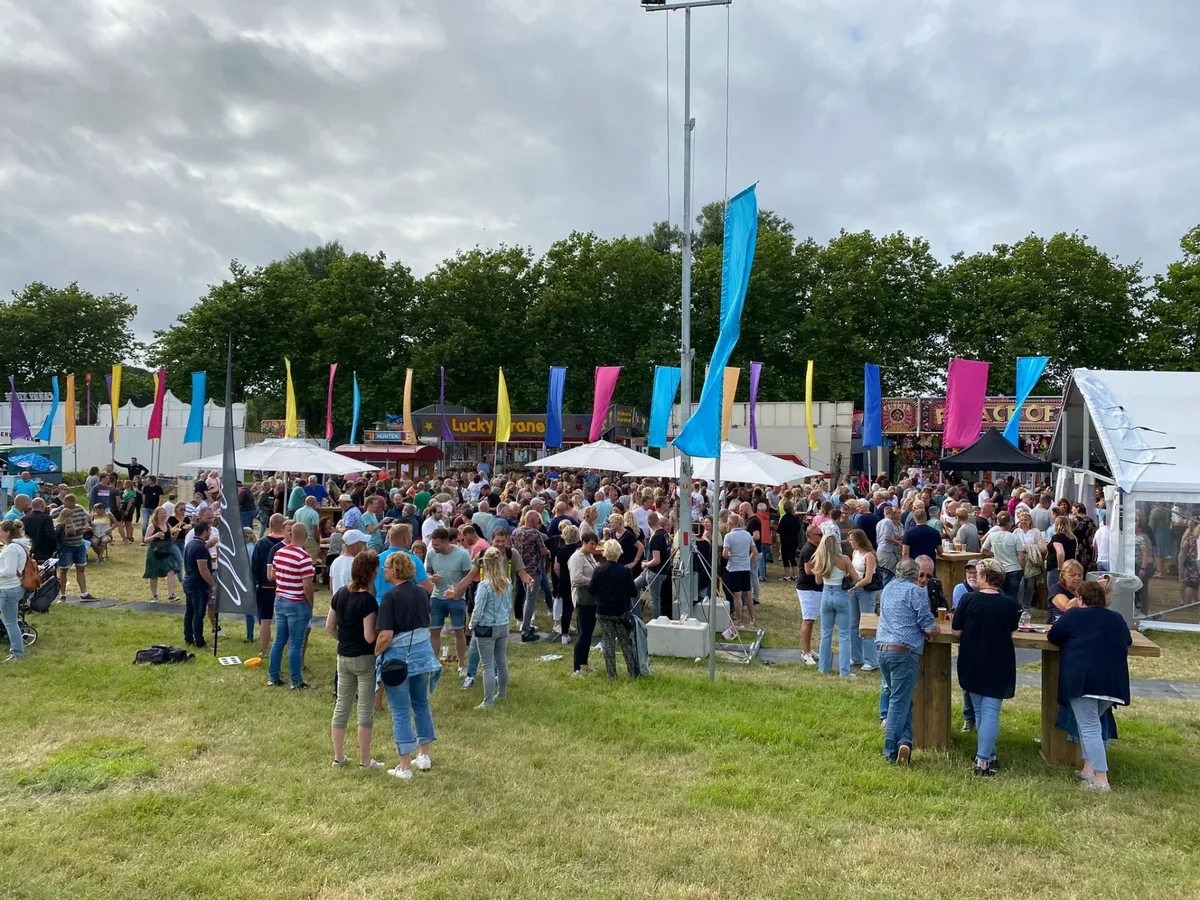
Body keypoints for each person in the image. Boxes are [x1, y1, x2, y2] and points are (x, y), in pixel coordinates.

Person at [1048, 580, 1133, 792]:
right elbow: (1128, 639)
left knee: (1089, 727)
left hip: (1083, 680)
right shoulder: (1116, 618)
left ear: (1080, 599)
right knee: (1091, 724)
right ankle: (1088, 770)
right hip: (1114, 684)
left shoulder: (1074, 615)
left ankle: (1102, 780)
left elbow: (1053, 636)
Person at [951, 558, 1022, 776]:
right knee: (990, 711)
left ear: (984, 576)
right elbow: (1011, 630)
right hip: (999, 660)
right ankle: (984, 758)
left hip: (972, 659)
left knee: (981, 710)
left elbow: (956, 631)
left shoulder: (968, 599)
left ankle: (986, 756)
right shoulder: (1010, 604)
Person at [375, 551, 440, 781]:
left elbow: (385, 635)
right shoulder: (422, 592)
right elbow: (428, 620)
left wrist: (375, 653)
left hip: (398, 659)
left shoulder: (390, 597)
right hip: (423, 654)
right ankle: (424, 755)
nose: (383, 570)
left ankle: (404, 766)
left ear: (394, 570)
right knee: (421, 703)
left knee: (401, 710)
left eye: (386, 567)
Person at [875, 558, 940, 766]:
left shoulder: (888, 588)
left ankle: (905, 742)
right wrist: (934, 629)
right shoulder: (916, 592)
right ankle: (890, 751)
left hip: (882, 649)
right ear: (915, 574)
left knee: (901, 700)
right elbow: (927, 624)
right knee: (898, 701)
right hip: (904, 651)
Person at [327, 550, 382, 770]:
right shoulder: (368, 601)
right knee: (364, 710)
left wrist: (345, 638)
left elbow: (329, 627)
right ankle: (365, 761)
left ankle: (338, 757)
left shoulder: (340, 593)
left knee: (342, 705)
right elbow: (369, 636)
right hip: (364, 658)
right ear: (371, 572)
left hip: (343, 655)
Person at [267, 523, 316, 689]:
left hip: (280, 599)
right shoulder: (304, 557)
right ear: (305, 536)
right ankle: (296, 681)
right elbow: (307, 586)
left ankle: (273, 676)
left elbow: (274, 574)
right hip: (296, 602)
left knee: (279, 640)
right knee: (296, 643)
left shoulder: (279, 552)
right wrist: (310, 603)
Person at [589, 538, 639, 679]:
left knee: (608, 643)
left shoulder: (599, 570)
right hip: (619, 612)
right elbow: (633, 592)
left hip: (603, 611)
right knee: (625, 643)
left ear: (605, 553)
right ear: (619, 553)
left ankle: (611, 674)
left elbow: (592, 590)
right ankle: (632, 672)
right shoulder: (625, 571)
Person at [425, 527, 474, 673]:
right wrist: (430, 578)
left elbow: (468, 577)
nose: (434, 547)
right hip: (437, 596)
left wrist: (459, 593)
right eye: (433, 544)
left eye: (437, 544)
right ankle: (433, 664)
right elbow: (427, 571)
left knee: (459, 631)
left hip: (456, 598)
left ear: (446, 542)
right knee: (434, 631)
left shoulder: (462, 554)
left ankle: (461, 665)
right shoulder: (431, 554)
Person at [470, 547, 513, 709]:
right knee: (501, 662)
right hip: (503, 625)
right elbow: (509, 606)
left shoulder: (484, 586)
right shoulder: (507, 583)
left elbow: (478, 609)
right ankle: (502, 693)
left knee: (487, 665)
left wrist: (472, 624)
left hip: (486, 627)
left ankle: (487, 701)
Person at [813, 532, 858, 677]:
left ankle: (823, 668)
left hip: (826, 594)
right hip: (841, 594)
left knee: (825, 633)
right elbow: (856, 577)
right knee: (844, 635)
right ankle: (844, 671)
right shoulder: (844, 559)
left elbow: (818, 581)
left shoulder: (820, 559)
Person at [847, 528, 880, 672]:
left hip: (865, 591)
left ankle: (871, 660)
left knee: (866, 625)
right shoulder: (854, 553)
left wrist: (854, 586)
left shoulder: (869, 555)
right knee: (853, 623)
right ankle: (856, 656)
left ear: (858, 540)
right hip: (853, 590)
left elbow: (868, 578)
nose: (850, 542)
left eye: (851, 540)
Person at [569, 534, 601, 676]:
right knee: (583, 634)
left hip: (591, 598)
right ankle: (576, 668)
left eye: (595, 544)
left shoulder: (590, 556)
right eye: (591, 544)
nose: (593, 547)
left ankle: (584, 663)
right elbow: (576, 578)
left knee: (588, 633)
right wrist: (593, 581)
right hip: (583, 599)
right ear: (584, 543)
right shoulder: (577, 557)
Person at [0, 520, 32, 661]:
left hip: (8, 589)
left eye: (0, 531)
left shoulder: (13, 548)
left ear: (7, 532)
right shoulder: (15, 546)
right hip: (10, 587)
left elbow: (9, 571)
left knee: (10, 623)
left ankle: (17, 653)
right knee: (10, 622)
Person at [721, 514, 758, 636]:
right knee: (748, 593)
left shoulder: (728, 536)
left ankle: (739, 619)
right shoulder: (747, 535)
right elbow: (755, 552)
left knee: (737, 595)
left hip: (734, 568)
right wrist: (749, 561)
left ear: (730, 524)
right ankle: (752, 618)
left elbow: (725, 554)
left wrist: (729, 554)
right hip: (745, 568)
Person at [182, 521, 215, 648]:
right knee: (199, 613)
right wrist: (213, 584)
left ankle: (189, 638)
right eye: (209, 531)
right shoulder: (201, 548)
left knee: (189, 612)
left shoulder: (190, 544)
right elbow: (203, 570)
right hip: (197, 585)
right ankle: (199, 642)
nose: (210, 534)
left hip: (189, 581)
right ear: (204, 531)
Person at [795, 525, 823, 665]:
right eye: (819, 534)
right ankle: (805, 652)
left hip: (814, 588)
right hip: (807, 588)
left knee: (811, 620)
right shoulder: (808, 549)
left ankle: (808, 649)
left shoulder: (815, 548)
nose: (821, 536)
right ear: (810, 535)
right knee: (808, 620)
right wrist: (824, 570)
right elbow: (808, 570)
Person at [635, 512, 671, 620]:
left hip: (655, 571)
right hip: (661, 570)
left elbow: (656, 560)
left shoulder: (656, 537)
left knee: (655, 600)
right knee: (633, 587)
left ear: (648, 523)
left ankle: (656, 622)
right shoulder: (666, 535)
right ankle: (636, 616)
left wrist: (646, 564)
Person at [981, 512, 1025, 600]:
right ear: (1009, 523)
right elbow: (1021, 556)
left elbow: (983, 550)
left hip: (999, 569)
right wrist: (1023, 568)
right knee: (1013, 594)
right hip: (1014, 568)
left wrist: (993, 554)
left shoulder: (992, 536)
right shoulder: (1014, 537)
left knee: (1000, 594)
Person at [143, 506, 180, 603]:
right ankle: (154, 595)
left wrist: (175, 535)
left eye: (165, 513)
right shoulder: (152, 526)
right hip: (155, 552)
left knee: (171, 570)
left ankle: (171, 594)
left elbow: (170, 539)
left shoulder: (167, 525)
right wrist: (155, 536)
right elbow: (145, 540)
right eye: (161, 513)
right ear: (157, 515)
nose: (164, 515)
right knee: (153, 574)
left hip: (166, 551)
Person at [553, 523, 581, 644]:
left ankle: (564, 634)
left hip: (565, 580)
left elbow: (556, 568)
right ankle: (582, 633)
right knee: (581, 608)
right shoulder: (579, 550)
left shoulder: (561, 550)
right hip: (578, 581)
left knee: (567, 609)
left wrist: (562, 577)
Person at [1047, 559, 1085, 626]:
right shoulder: (1056, 588)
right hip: (1057, 627)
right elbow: (1066, 607)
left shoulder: (1081, 590)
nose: (1077, 578)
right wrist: (1086, 594)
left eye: (1080, 575)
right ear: (1063, 575)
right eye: (1072, 575)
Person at [329, 529, 369, 594]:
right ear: (356, 544)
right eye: (363, 543)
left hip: (338, 601)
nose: (364, 547)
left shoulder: (335, 562)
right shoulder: (358, 564)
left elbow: (331, 588)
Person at [1047, 515, 1078, 592]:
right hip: (1069, 567)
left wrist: (1060, 568)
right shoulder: (1072, 538)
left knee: (1053, 591)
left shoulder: (1057, 537)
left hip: (1055, 567)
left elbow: (1060, 552)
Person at [22, 498, 56, 564]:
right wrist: (54, 549)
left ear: (31, 507)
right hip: (44, 551)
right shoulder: (47, 519)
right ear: (43, 506)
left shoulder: (24, 519)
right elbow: (50, 535)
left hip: (28, 551)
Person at [777, 501, 801, 582]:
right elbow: (798, 529)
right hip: (794, 540)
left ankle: (787, 575)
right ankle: (795, 575)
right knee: (793, 558)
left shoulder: (783, 518)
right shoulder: (795, 518)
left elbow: (779, 530)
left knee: (785, 558)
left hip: (785, 540)